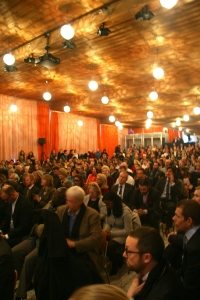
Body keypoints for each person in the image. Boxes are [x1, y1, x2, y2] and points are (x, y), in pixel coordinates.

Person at [124, 226, 183, 300]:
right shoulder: (159, 267)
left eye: (127, 251)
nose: (124, 254)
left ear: (147, 258)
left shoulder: (163, 294)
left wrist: (129, 297)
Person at [166, 200, 200, 299]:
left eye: (177, 216)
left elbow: (189, 286)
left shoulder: (194, 249)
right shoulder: (192, 233)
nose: (173, 218)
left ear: (189, 221)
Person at [103, 191, 141, 275]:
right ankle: (114, 260)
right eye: (106, 204)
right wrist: (105, 230)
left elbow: (128, 230)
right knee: (100, 242)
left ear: (113, 201)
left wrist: (111, 233)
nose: (107, 206)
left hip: (123, 234)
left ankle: (116, 263)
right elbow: (108, 223)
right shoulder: (109, 208)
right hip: (113, 231)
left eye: (108, 204)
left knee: (110, 247)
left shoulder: (125, 211)